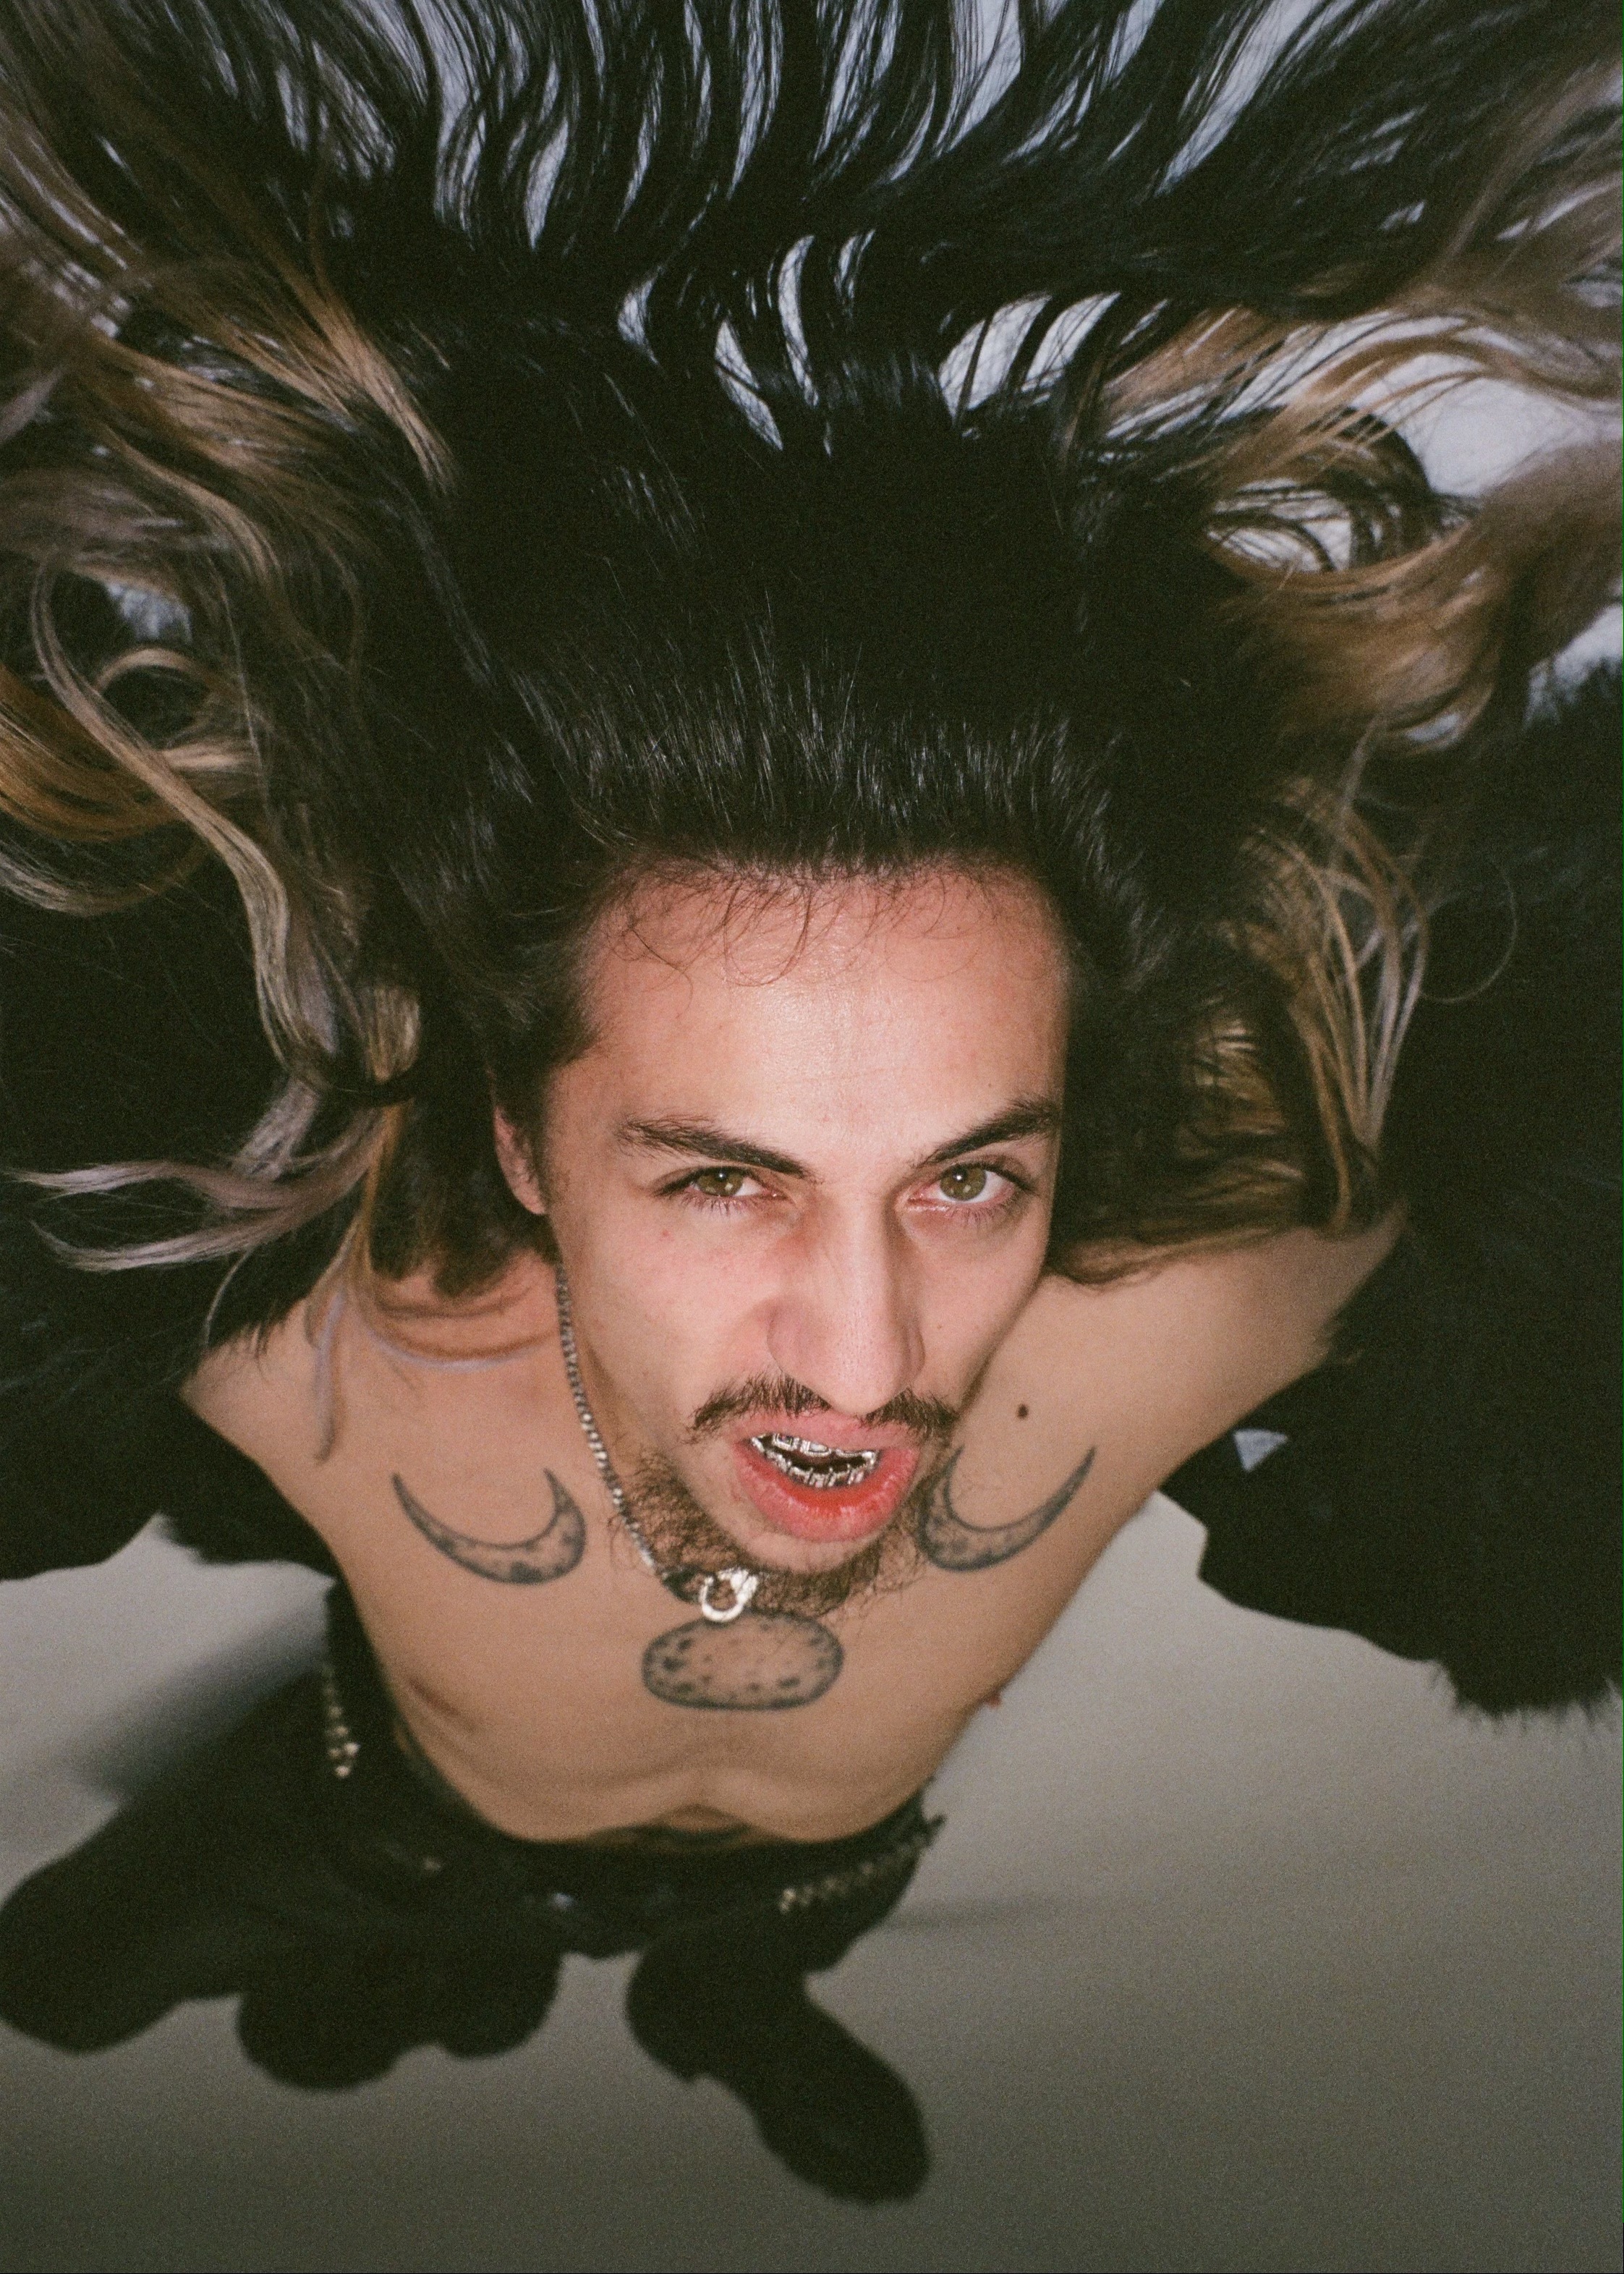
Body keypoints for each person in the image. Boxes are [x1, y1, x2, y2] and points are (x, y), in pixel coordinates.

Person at [0, 0, 1616, 2202]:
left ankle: (728, 2007)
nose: (865, 1361)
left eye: (969, 1180)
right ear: (518, 1141)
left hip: (827, 1856)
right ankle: (409, 1969)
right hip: (393, 1808)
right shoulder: (301, 1348)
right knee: (79, 1987)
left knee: (759, 1944)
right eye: (724, 1180)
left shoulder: (1208, 1305)